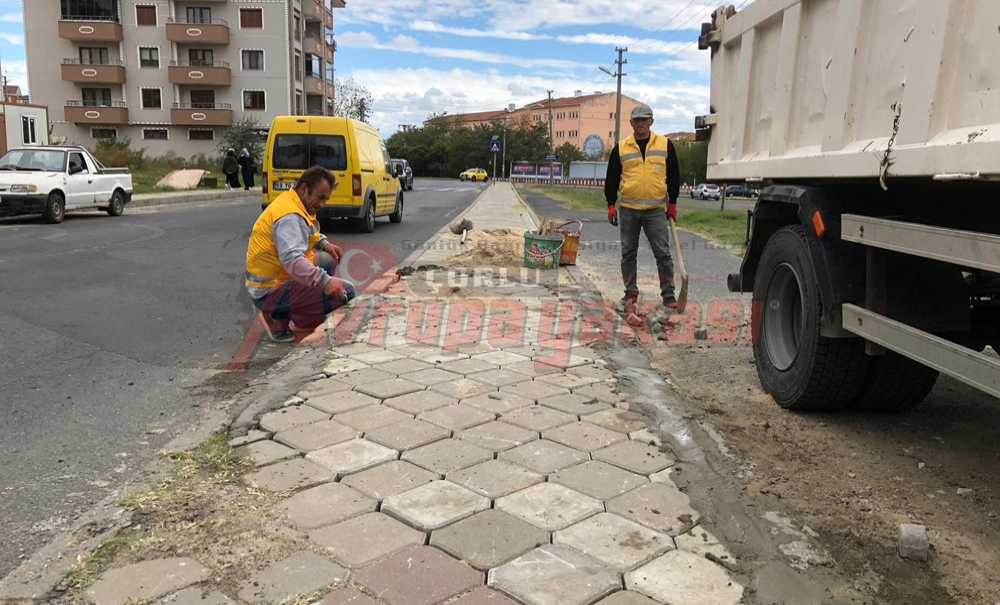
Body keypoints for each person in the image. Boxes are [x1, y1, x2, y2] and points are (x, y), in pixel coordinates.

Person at [245, 166, 355, 342]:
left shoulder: (293, 201)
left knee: (327, 260)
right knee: (347, 291)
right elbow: (293, 260)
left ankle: (295, 317)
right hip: (269, 291)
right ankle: (284, 319)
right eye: (320, 197)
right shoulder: (289, 216)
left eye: (326, 199)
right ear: (304, 189)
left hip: (276, 280)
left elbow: (307, 231)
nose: (323, 204)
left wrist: (324, 244)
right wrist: (326, 282)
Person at [605, 103, 681, 311]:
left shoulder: (665, 145)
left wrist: (673, 203)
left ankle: (668, 295)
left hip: (656, 210)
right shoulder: (621, 148)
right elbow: (611, 179)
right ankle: (630, 293)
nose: (640, 124)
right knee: (628, 253)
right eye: (637, 120)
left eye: (644, 120)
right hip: (629, 210)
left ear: (651, 121)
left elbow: (674, 176)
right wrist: (611, 204)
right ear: (631, 123)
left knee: (663, 253)